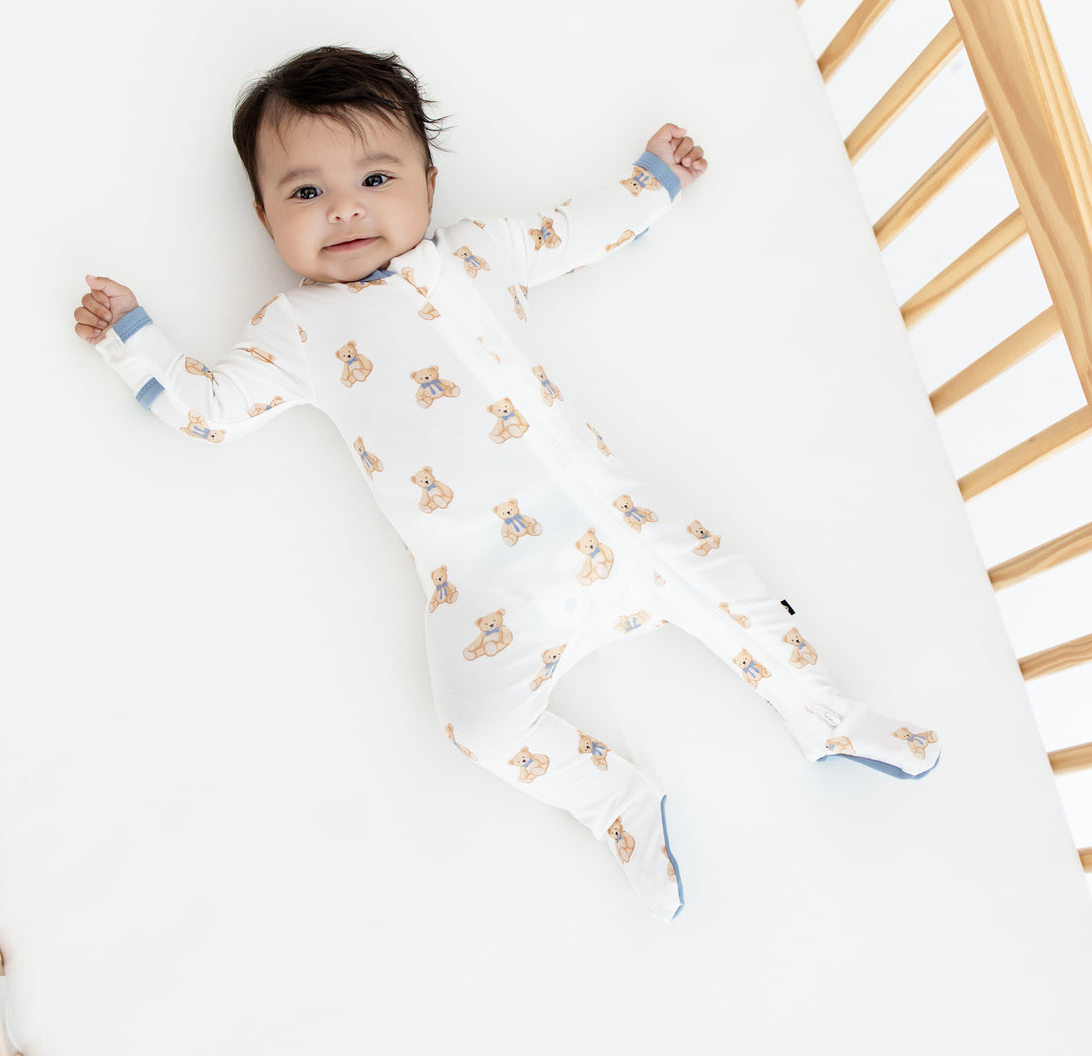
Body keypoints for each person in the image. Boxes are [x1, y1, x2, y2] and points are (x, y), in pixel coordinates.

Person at [73, 45, 940, 923]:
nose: (343, 208)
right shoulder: (297, 328)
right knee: (479, 728)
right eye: (304, 194)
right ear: (265, 221)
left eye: (376, 177)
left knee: (742, 600)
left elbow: (577, 230)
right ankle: (615, 801)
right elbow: (210, 410)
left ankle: (826, 716)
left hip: (618, 522)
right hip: (488, 589)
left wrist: (652, 182)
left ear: (430, 185)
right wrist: (130, 336)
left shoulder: (479, 254)